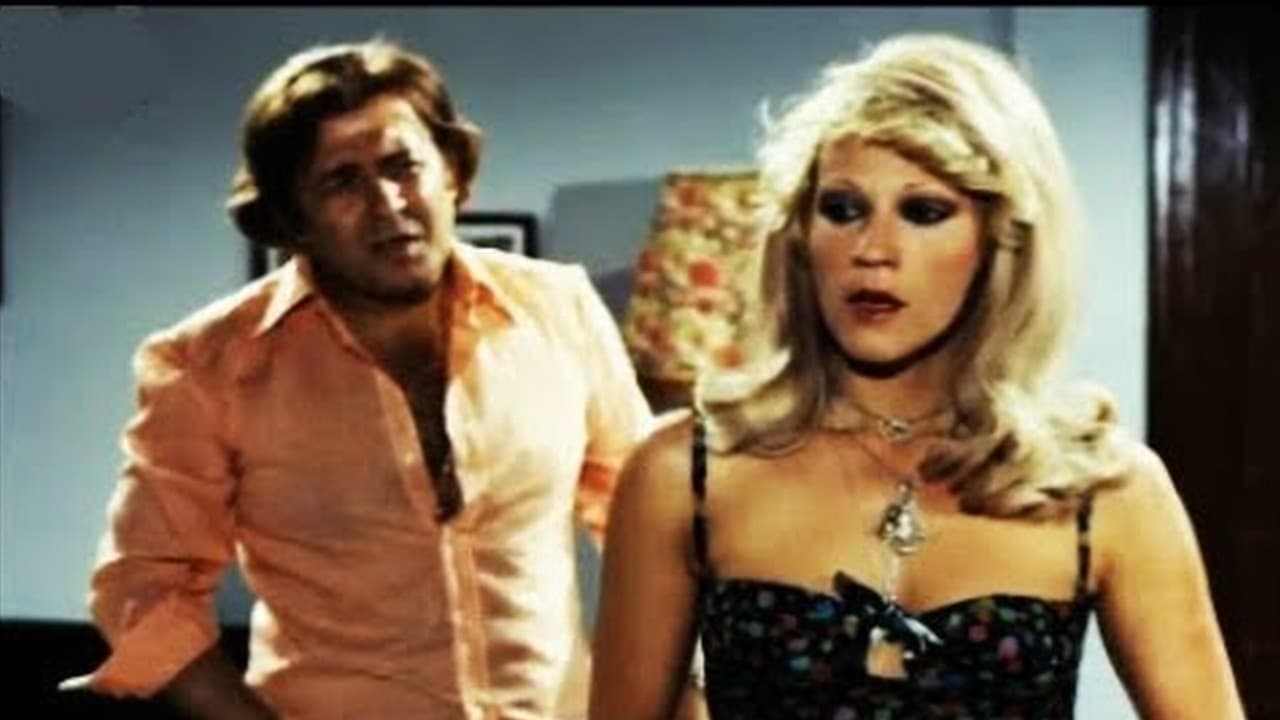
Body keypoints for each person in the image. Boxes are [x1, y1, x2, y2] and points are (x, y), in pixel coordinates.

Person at [589, 33, 1245, 720]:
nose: (872, 250)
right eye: (842, 210)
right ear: (801, 236)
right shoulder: (682, 475)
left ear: (1001, 240)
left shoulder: (1105, 491)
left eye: (924, 212)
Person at [62, 39, 654, 719]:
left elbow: (651, 527)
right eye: (341, 182)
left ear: (453, 173)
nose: (387, 203)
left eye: (404, 166)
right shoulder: (208, 366)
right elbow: (142, 589)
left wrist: (678, 691)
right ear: (292, 218)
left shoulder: (558, 307)